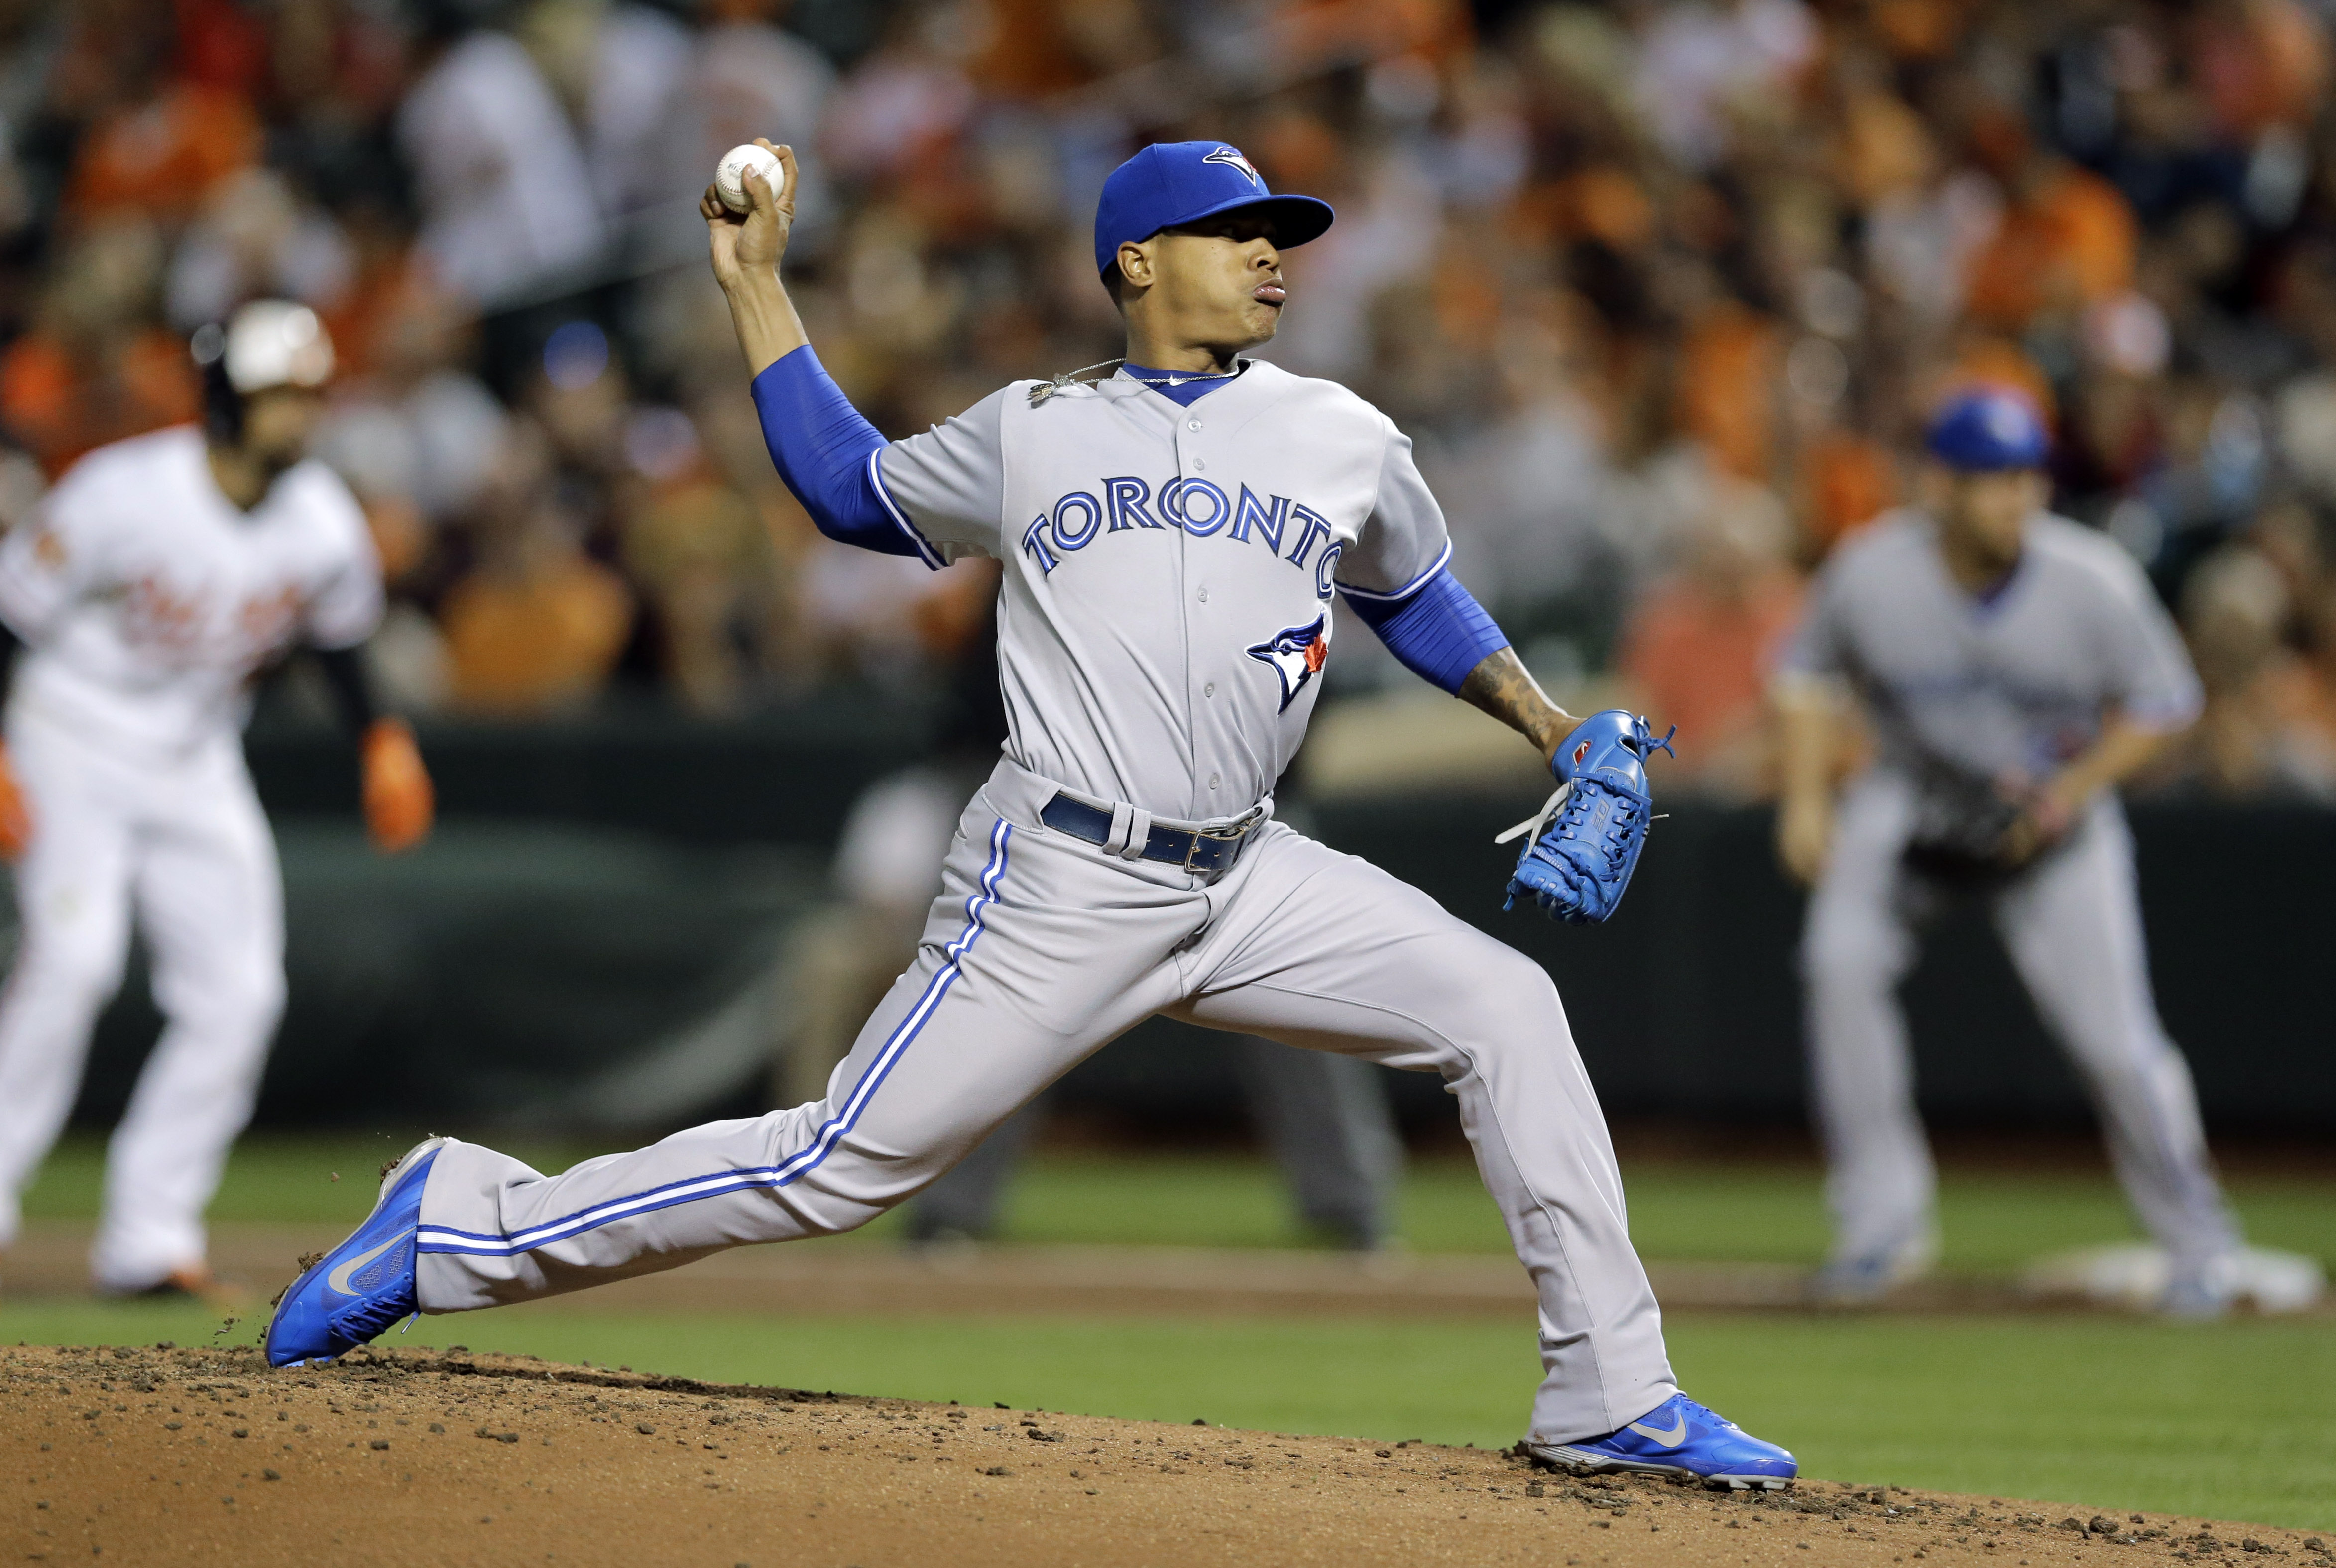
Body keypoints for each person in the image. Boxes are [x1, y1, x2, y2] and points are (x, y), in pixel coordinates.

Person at [269, 140, 1795, 1491]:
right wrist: (756, 287)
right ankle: (458, 1220)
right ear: (1136, 261)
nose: (1273, 251)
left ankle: (1612, 1392)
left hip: (1251, 872)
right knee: (838, 1164)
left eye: (1281, 230)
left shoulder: (1340, 429)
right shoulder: (1035, 426)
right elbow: (846, 489)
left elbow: (1413, 592)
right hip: (1062, 866)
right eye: (1235, 229)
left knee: (1508, 1007)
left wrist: (1545, 721)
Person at [1773, 387, 2244, 1314]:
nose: (2015, 498)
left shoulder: (2092, 577)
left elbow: (2165, 705)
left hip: (2052, 818)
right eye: (1992, 481)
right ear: (1937, 484)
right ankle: (1879, 1227)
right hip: (1912, 800)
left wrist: (2068, 792)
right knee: (1837, 965)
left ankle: (2200, 1242)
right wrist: (1803, 797)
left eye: (2027, 477)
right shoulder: (1872, 570)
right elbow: (1804, 676)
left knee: (2115, 1041)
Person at [0, 301, 434, 1297]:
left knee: (240, 994)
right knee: (74, 960)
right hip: (71, 732)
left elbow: (339, 640)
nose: (298, 416)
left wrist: (385, 740)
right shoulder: (124, 493)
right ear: (224, 399)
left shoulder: (321, 516)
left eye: (309, 396)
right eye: (277, 394)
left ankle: (149, 1239)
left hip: (195, 753)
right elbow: (13, 617)